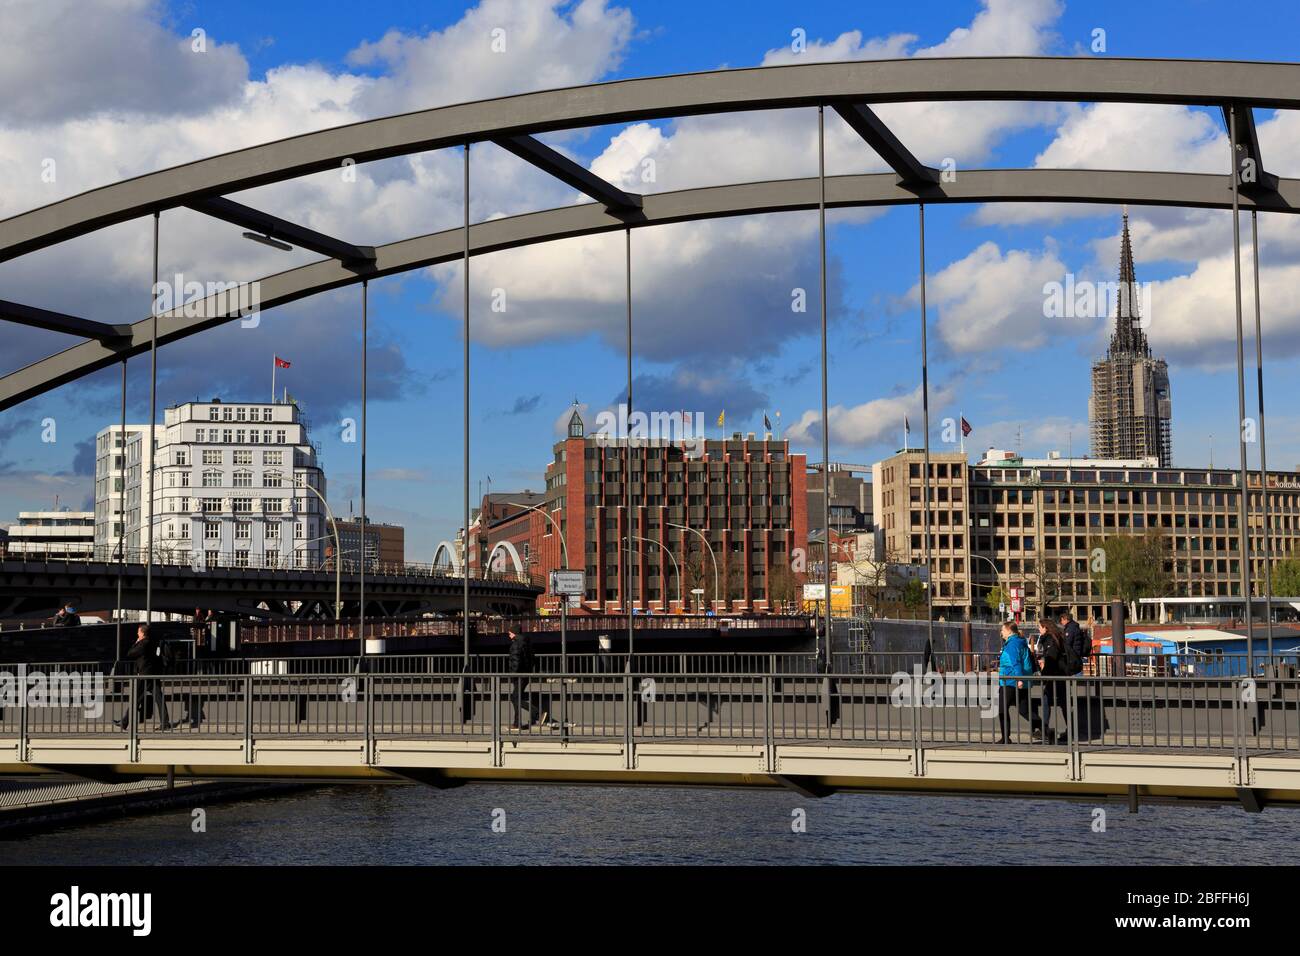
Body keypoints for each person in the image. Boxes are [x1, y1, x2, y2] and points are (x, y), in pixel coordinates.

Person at [117, 623, 173, 731]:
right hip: (153, 673)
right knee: (159, 698)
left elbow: (130, 653)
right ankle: (165, 722)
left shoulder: (144, 643)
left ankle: (124, 722)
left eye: (138, 631)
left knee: (136, 699)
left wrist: (136, 643)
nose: (137, 633)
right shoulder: (152, 641)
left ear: (142, 633)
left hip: (144, 675)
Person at [997, 620, 1043, 744]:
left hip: (1011, 682)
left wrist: (1019, 679)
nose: (1001, 632)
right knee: (1024, 710)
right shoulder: (1019, 642)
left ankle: (1005, 738)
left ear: (1008, 631)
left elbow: (1015, 663)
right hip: (1019, 680)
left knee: (1002, 709)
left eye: (1002, 630)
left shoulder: (1012, 644)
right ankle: (1047, 730)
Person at [1035, 618, 1067, 743]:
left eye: (1040, 627)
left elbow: (1051, 659)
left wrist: (1044, 674)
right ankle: (1067, 729)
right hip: (1059, 675)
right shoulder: (1057, 637)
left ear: (1046, 628)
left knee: (1048, 700)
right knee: (1060, 702)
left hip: (1055, 675)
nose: (1039, 629)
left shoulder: (1050, 640)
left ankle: (1046, 730)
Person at [506, 628, 534, 729]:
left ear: (514, 633)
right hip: (526, 674)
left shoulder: (516, 644)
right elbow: (532, 659)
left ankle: (537, 713)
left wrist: (512, 674)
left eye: (509, 633)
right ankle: (516, 723)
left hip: (518, 675)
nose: (509, 635)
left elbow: (515, 661)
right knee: (516, 697)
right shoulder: (526, 642)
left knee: (515, 697)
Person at [1058, 610, 1087, 675]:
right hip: (1077, 654)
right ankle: (1080, 684)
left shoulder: (1070, 629)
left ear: (1065, 619)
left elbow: (1067, 643)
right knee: (1078, 671)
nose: (1061, 622)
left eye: (1061, 620)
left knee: (1075, 673)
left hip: (1073, 655)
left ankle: (1078, 684)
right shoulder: (1075, 626)